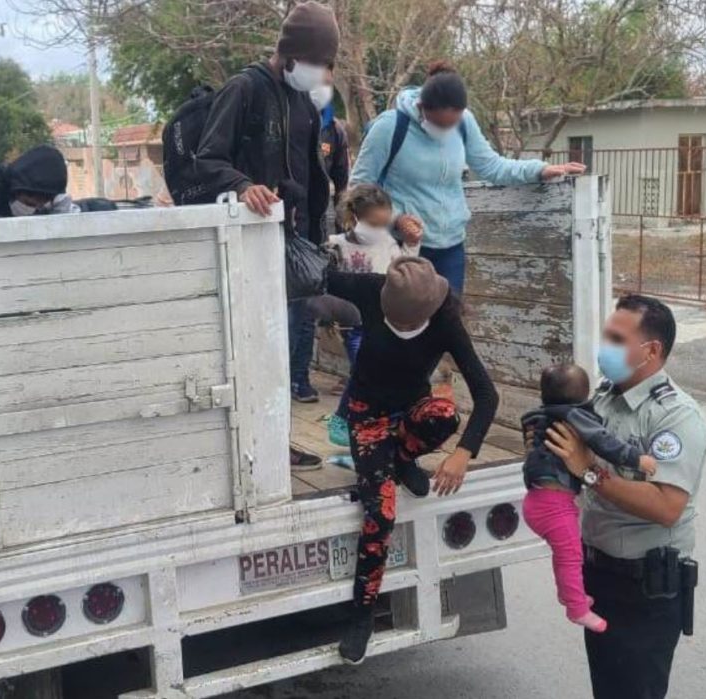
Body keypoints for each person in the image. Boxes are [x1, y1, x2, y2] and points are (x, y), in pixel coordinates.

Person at [326, 257, 499, 664]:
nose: (401, 328)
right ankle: (362, 615)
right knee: (381, 513)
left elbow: (487, 395)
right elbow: (315, 274)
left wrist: (463, 453)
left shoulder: (445, 320)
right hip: (368, 415)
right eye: (394, 322)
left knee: (445, 414)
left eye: (409, 324)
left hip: (410, 411)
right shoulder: (372, 289)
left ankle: (403, 457)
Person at [194, 0, 339, 469]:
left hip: (292, 248)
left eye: (325, 64)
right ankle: (248, 448)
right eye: (314, 61)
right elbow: (207, 159)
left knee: (282, 353)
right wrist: (243, 186)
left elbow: (312, 176)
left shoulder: (303, 102)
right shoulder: (244, 89)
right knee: (251, 350)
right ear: (290, 53)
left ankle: (277, 443)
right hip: (246, 247)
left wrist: (317, 236)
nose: (319, 72)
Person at [544, 295, 706, 699]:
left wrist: (588, 471)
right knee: (608, 689)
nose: (605, 347)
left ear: (651, 351)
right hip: (601, 577)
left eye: (617, 339)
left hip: (645, 590)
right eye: (606, 336)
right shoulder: (604, 397)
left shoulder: (675, 416)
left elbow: (667, 506)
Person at [350, 61, 585, 294]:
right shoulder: (389, 127)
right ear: (421, 106)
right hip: (403, 248)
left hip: (451, 247)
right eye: (438, 124)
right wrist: (395, 219)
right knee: (407, 317)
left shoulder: (465, 122)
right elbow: (358, 187)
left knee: (451, 316)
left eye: (451, 126)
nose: (444, 132)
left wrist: (539, 170)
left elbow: (491, 165)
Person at [521, 362, 657, 634]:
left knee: (564, 555)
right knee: (571, 557)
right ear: (582, 396)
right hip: (554, 506)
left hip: (536, 500)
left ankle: (569, 594)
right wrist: (636, 459)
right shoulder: (575, 416)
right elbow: (604, 443)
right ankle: (577, 609)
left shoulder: (539, 415)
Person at [325, 184, 420, 447]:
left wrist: (412, 244)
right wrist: (328, 317)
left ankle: (376, 423)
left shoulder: (388, 243)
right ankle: (346, 420)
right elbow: (326, 286)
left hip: (384, 322)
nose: (378, 230)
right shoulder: (336, 246)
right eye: (373, 224)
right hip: (354, 323)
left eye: (383, 224)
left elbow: (405, 269)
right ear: (355, 216)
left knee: (373, 373)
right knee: (365, 372)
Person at [311, 80, 350, 234]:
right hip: (290, 208)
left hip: (322, 208)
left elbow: (342, 182)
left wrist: (342, 229)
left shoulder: (335, 130)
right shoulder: (287, 121)